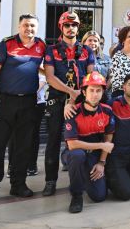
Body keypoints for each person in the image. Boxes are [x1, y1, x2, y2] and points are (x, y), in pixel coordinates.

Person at [0, 14, 46, 204]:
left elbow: (44, 68)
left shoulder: (41, 46)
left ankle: (19, 184)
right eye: (25, 25)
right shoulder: (6, 44)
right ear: (19, 26)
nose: (29, 29)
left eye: (33, 26)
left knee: (22, 147)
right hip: (5, 102)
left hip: (28, 103)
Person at [42, 12, 95, 197]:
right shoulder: (52, 50)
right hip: (57, 101)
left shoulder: (87, 50)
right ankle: (50, 181)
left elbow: (90, 76)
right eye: (67, 25)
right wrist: (70, 92)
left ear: (78, 28)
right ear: (61, 27)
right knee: (53, 142)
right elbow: (50, 77)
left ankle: (83, 180)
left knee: (81, 141)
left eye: (74, 25)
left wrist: (78, 95)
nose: (70, 28)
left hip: (80, 101)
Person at [62, 72, 114, 213]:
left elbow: (109, 137)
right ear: (84, 92)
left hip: (93, 155)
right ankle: (76, 195)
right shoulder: (73, 111)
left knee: (99, 196)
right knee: (78, 156)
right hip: (74, 152)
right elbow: (72, 144)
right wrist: (101, 145)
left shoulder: (107, 111)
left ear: (103, 92)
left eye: (98, 90)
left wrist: (101, 163)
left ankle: (84, 173)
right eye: (91, 90)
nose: (95, 94)